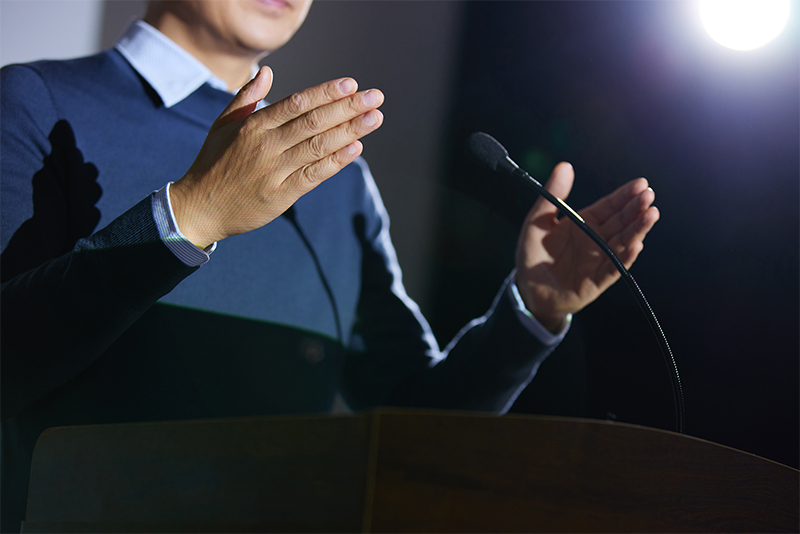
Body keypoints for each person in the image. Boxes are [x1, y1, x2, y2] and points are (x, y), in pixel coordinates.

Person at [0, 0, 659, 530]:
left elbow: (414, 427)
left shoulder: (332, 176)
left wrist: (532, 312)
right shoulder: (34, 101)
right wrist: (191, 214)